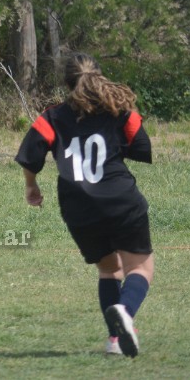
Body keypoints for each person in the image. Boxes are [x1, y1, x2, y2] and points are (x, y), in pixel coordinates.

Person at [15, 52, 154, 358]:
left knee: (108, 270)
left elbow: (30, 155)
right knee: (141, 267)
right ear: (100, 76)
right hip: (120, 200)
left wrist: (31, 186)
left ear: (66, 83)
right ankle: (125, 312)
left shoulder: (51, 116)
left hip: (77, 206)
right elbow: (141, 146)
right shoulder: (120, 111)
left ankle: (115, 341)